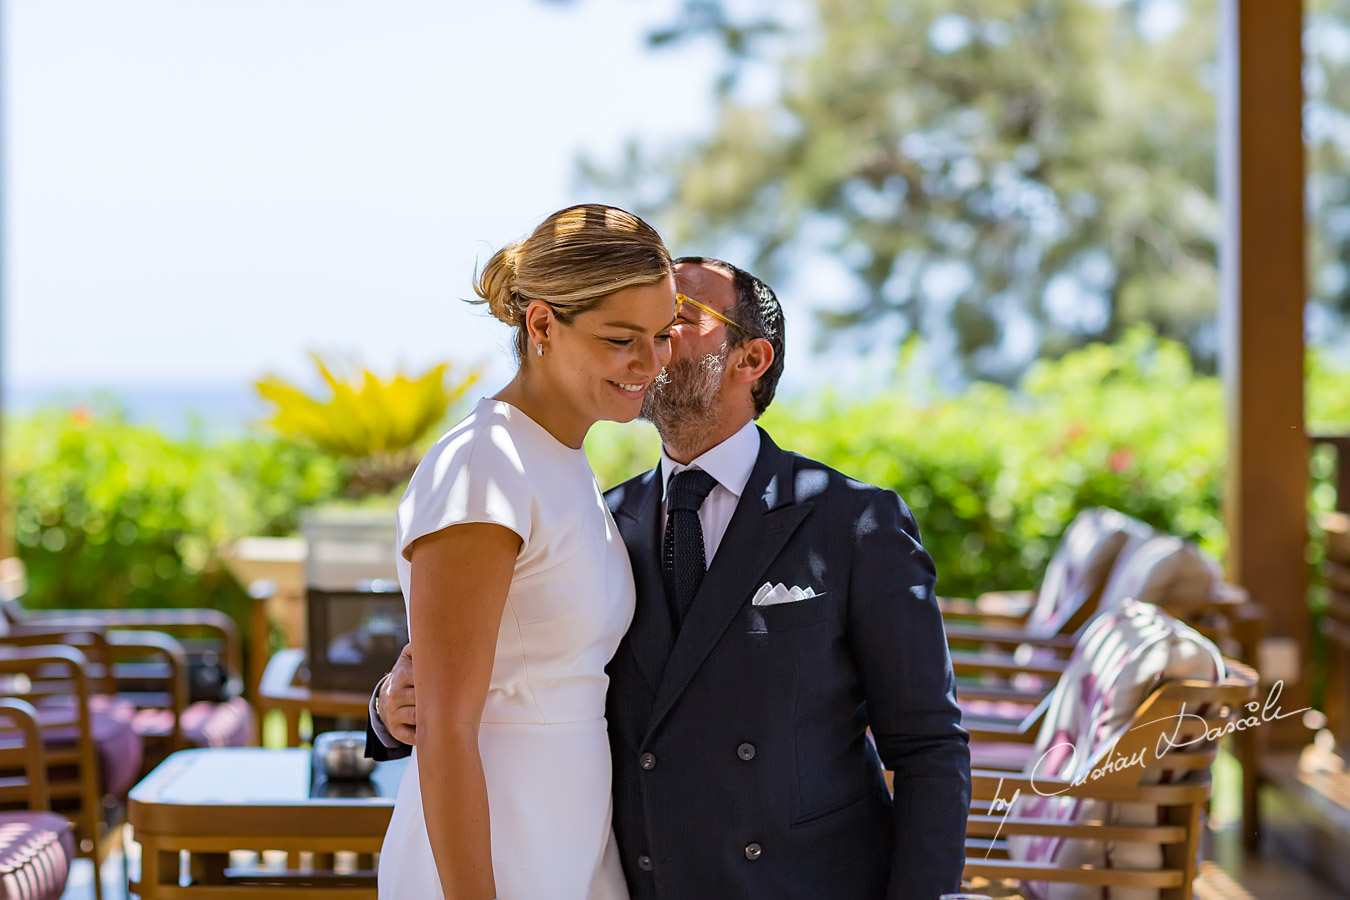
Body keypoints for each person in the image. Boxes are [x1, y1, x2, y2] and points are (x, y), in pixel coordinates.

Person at [370, 256, 972, 899]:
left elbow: (929, 744)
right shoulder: (605, 521)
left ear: (752, 359)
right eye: (633, 330)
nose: (649, 346)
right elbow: (534, 666)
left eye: (674, 321)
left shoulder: (856, 522)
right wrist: (391, 708)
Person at [375, 203, 677, 900]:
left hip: (570, 839)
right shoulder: (484, 468)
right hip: (493, 854)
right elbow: (447, 729)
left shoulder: (563, 462)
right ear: (542, 325)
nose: (649, 362)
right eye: (620, 338)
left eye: (660, 336)